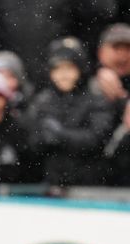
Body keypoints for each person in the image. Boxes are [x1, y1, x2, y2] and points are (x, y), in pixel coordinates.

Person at [27, 36, 114, 186]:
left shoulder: (96, 98)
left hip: (90, 182)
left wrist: (62, 135)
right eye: (57, 69)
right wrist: (41, 138)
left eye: (69, 68)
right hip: (52, 183)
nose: (63, 74)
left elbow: (98, 139)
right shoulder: (42, 100)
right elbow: (30, 143)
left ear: (80, 69)